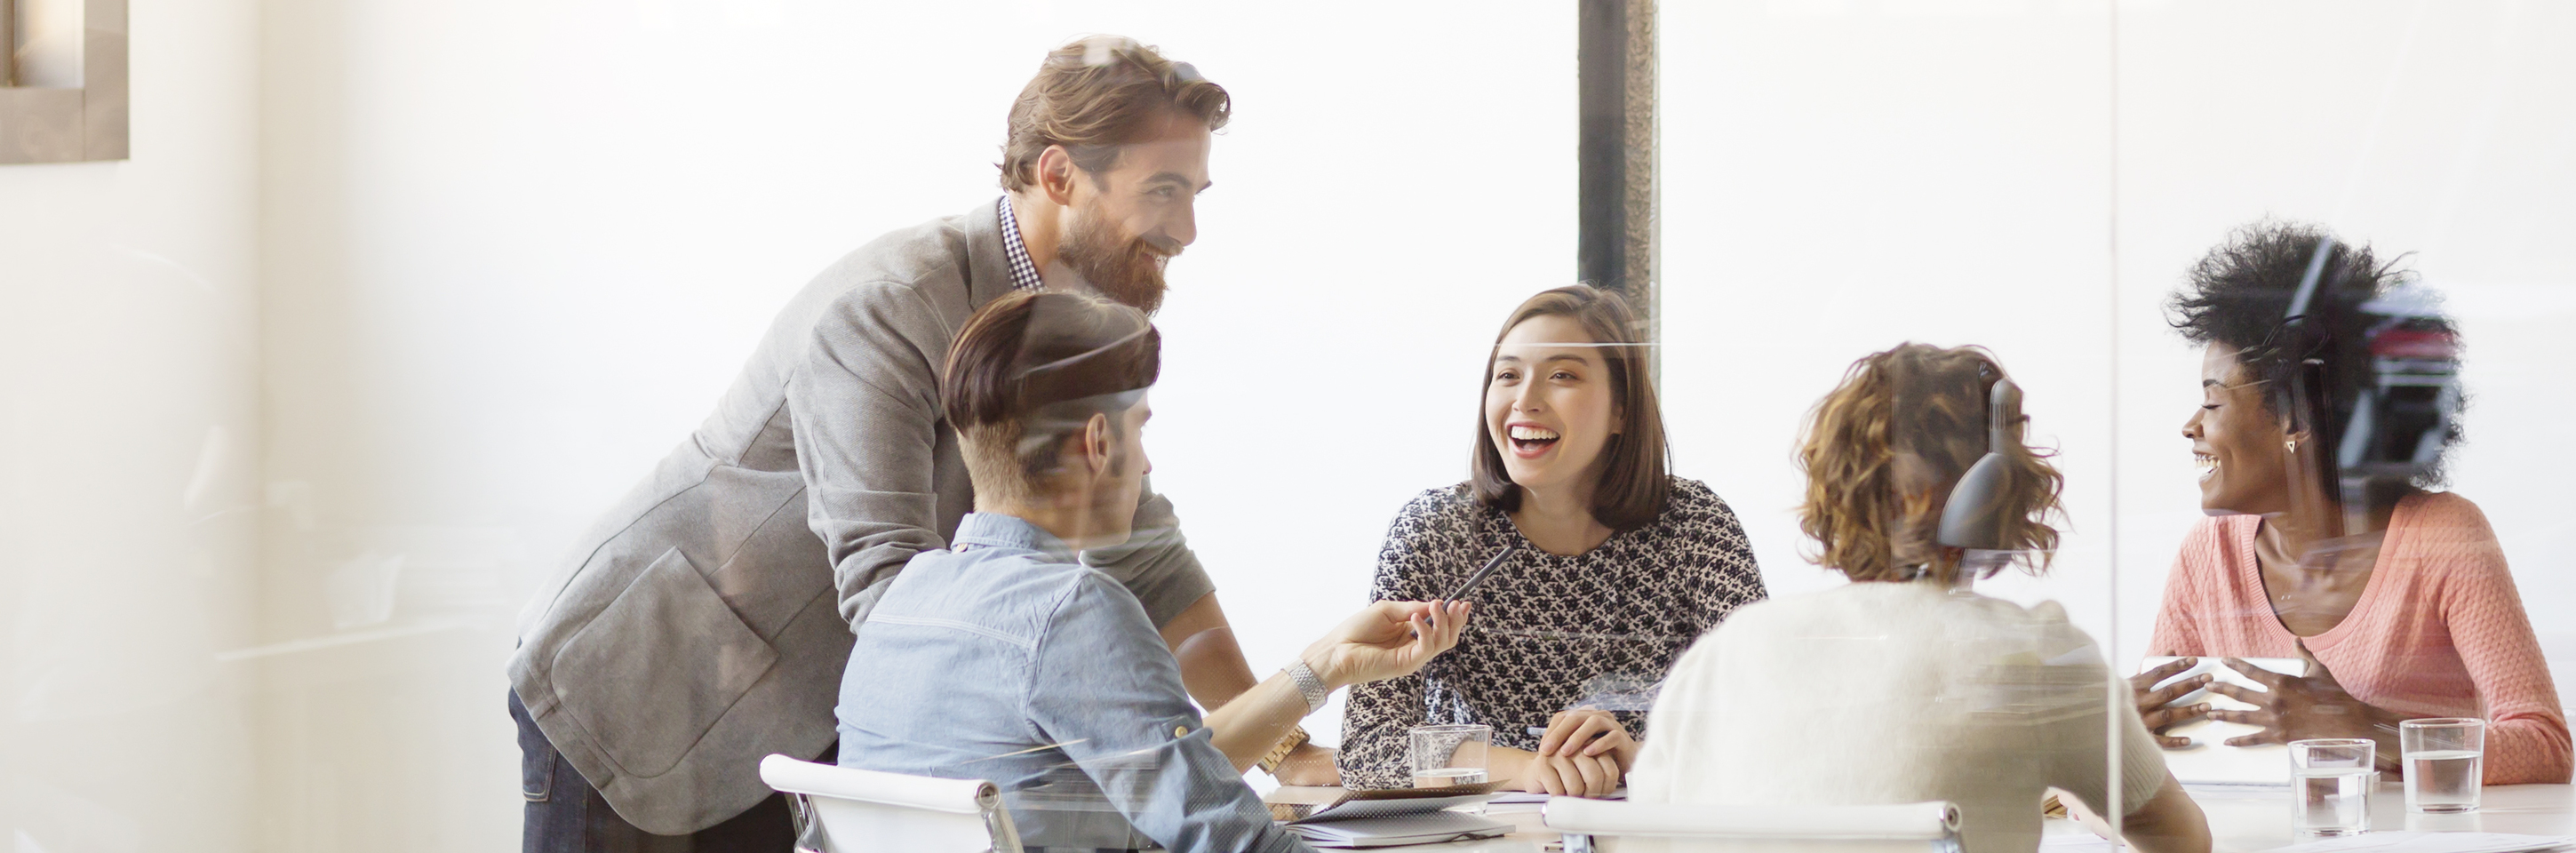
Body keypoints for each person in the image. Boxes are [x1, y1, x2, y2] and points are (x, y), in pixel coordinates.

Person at [507, 36, 1330, 853]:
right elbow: (895, 601)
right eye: (1163, 190)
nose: (1187, 229)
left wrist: (1284, 754)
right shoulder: (890, 307)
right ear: (1059, 175)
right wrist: (1105, 717)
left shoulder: (1067, 337)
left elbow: (1152, 564)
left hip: (806, 727)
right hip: (643, 698)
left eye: (1196, 193)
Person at [834, 290, 1466, 853]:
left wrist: (1326, 664)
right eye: (1140, 430)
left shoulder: (904, 600)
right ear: (1098, 443)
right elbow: (1227, 836)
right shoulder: (1073, 611)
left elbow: (1172, 776)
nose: (1146, 466)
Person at [1629, 343, 2209, 853]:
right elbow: (2183, 840)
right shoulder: (2043, 657)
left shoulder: (1728, 652)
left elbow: (1646, 831)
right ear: (1996, 491)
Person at [2130, 220, 2572, 784]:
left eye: (2213, 405)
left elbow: (2545, 747)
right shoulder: (2207, 555)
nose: (2190, 426)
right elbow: (2164, 761)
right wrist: (2119, 738)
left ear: (2294, 416)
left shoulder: (2441, 536)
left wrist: (2362, 726)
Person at [1337, 285, 1767, 795]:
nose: (1525, 400)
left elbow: (1766, 724)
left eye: (1562, 376)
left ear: (1620, 412)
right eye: (1508, 376)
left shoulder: (1696, 525)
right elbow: (1366, 747)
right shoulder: (1434, 531)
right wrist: (1525, 768)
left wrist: (1645, 759)